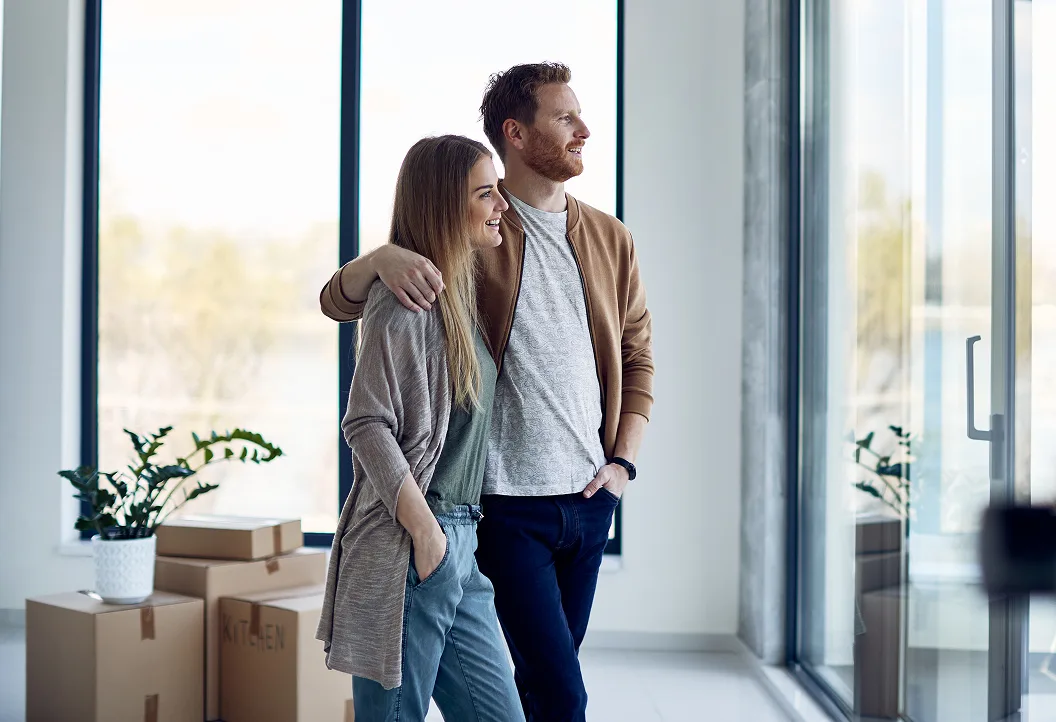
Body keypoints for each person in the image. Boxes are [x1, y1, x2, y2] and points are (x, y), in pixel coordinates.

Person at [319, 63, 654, 722]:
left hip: (586, 500)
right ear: (518, 134)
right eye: (566, 118)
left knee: (544, 679)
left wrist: (621, 464)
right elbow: (344, 306)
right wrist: (377, 259)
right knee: (558, 689)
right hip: (497, 505)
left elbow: (639, 355)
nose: (584, 129)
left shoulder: (610, 239)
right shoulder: (479, 231)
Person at [316, 134, 524, 722]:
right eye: (486, 194)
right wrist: (428, 537)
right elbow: (365, 422)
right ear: (443, 206)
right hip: (413, 540)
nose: (500, 206)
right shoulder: (404, 299)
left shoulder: (459, 289)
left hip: (460, 541)